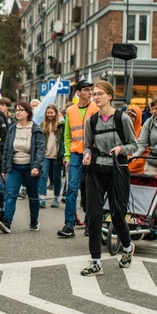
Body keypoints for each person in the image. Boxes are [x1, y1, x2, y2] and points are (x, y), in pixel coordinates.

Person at [81, 81, 138, 276]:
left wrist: (121, 149)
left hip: (118, 171)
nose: (95, 97)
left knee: (117, 214)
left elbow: (134, 145)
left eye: (99, 94)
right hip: (95, 171)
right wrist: (86, 154)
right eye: (93, 94)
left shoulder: (122, 118)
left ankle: (128, 247)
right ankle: (96, 261)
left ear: (110, 96)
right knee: (95, 216)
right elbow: (87, 145)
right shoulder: (91, 120)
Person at [57, 78, 98, 238]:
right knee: (72, 189)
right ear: (78, 92)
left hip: (92, 154)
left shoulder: (96, 108)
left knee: (89, 190)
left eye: (91, 89)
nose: (90, 92)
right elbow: (67, 136)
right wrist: (67, 156)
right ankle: (69, 225)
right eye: (86, 90)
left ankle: (89, 223)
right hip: (75, 155)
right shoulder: (71, 111)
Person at [0, 101, 44, 233]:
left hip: (30, 168)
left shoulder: (36, 130)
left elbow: (40, 150)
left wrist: (36, 167)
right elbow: (6, 149)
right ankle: (7, 222)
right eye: (16, 110)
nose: (18, 112)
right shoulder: (12, 128)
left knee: (33, 196)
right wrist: (4, 169)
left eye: (21, 110)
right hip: (14, 168)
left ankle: (34, 220)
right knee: (10, 194)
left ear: (28, 113)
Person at [39, 104, 64, 208]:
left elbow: (63, 140)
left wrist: (63, 154)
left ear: (55, 113)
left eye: (51, 113)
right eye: (48, 113)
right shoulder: (42, 125)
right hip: (45, 155)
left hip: (57, 155)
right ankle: (42, 198)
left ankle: (55, 198)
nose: (49, 115)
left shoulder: (61, 125)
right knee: (43, 175)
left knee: (57, 177)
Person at [127, 104, 146, 175]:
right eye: (128, 115)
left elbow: (145, 151)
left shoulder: (142, 131)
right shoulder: (123, 130)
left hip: (138, 168)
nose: (129, 118)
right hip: (124, 165)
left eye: (133, 116)